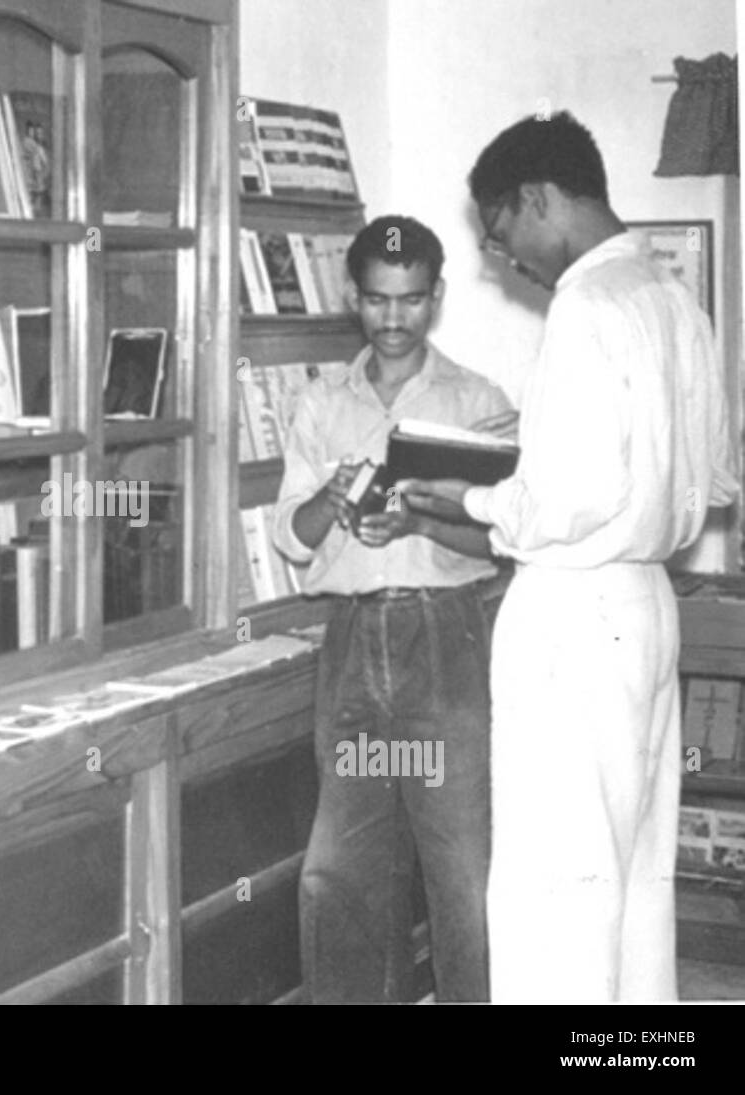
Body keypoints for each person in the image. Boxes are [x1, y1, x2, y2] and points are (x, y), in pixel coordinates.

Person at [401, 111, 739, 1002]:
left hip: (573, 614)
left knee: (557, 886)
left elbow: (566, 500)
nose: (507, 259)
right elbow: (715, 477)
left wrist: (467, 497)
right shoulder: (670, 297)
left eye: (504, 234)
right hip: (645, 607)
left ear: (540, 197)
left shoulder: (586, 305)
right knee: (634, 875)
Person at [272, 214, 514, 1002]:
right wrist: (332, 499)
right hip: (351, 652)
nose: (394, 318)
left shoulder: (477, 401)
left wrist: (418, 519)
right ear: (354, 299)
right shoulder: (320, 402)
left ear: (435, 297)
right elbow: (294, 539)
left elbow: (503, 542)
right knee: (342, 871)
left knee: (461, 871)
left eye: (410, 300)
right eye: (378, 300)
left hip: (442, 646)